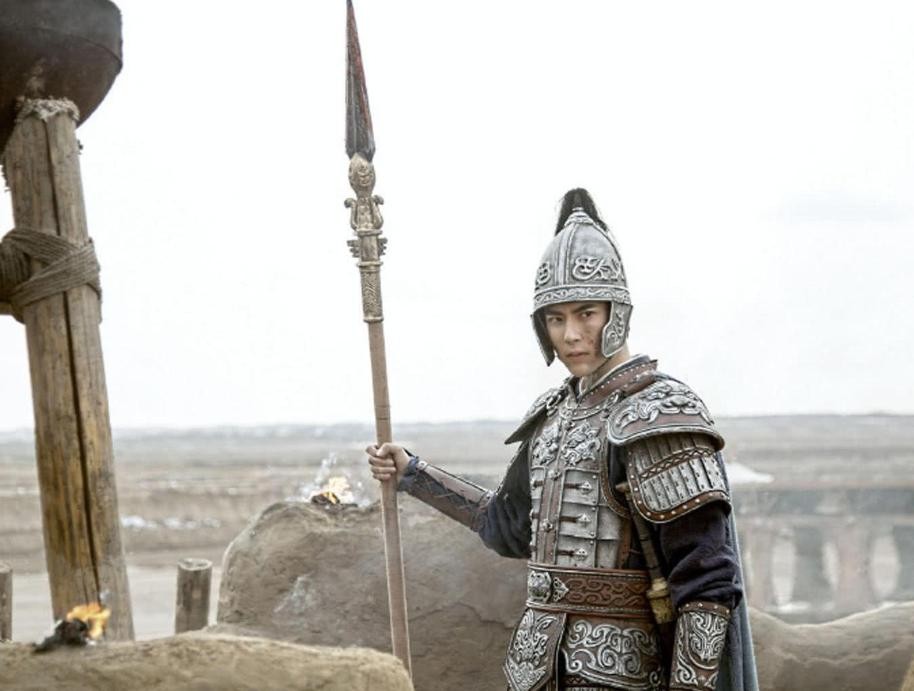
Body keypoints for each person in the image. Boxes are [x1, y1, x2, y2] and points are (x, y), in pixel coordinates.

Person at [367, 188, 758, 691]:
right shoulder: (552, 416)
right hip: (537, 667)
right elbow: (505, 527)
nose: (570, 334)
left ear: (616, 313)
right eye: (556, 318)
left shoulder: (659, 414)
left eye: (585, 313)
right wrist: (414, 475)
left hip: (625, 673)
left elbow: (706, 583)